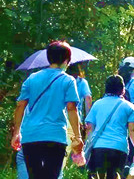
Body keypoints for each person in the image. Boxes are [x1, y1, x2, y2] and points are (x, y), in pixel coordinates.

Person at [11, 41, 83, 179]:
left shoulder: (32, 78)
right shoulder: (68, 81)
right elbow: (71, 109)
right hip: (55, 136)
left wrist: (16, 133)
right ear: (67, 60)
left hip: (31, 136)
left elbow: (20, 106)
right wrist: (78, 136)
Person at [85, 75, 134, 179]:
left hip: (99, 147)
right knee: (113, 176)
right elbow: (132, 130)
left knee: (98, 176)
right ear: (122, 90)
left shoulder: (97, 104)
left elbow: (89, 127)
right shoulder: (129, 106)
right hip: (119, 148)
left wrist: (87, 145)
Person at [64, 63, 92, 167]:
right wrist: (88, 118)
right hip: (75, 118)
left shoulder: (63, 80)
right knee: (74, 147)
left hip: (60, 118)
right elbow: (88, 98)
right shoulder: (82, 82)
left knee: (63, 148)